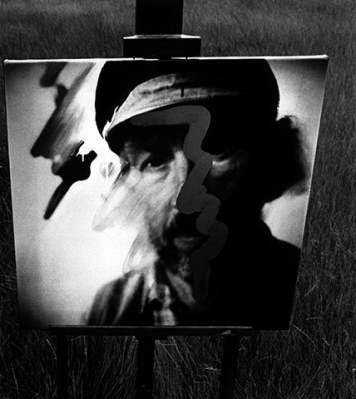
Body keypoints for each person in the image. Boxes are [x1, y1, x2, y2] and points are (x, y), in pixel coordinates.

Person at [86, 60, 305, 329]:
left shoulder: (304, 286)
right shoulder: (109, 311)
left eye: (214, 146)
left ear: (264, 159)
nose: (185, 197)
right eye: (154, 161)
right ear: (130, 184)